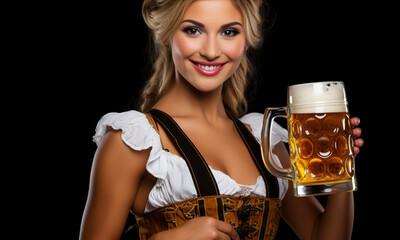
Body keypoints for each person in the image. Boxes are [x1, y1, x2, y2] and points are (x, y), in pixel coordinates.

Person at [80, 0, 363, 239]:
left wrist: (342, 167)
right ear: (166, 33)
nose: (212, 51)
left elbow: (321, 236)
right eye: (193, 30)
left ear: (246, 40)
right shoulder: (133, 139)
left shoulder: (260, 137)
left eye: (228, 32)